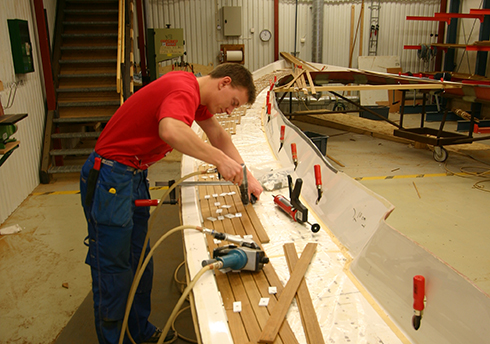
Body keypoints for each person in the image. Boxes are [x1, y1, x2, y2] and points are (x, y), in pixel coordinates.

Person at [79, 63, 263, 344]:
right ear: (224, 82)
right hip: (111, 178)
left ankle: (138, 331)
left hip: (132, 175)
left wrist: (245, 174)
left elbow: (218, 135)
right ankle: (115, 340)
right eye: (233, 103)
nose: (229, 111)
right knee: (114, 269)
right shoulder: (183, 88)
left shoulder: (198, 98)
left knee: (140, 262)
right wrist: (220, 161)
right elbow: (171, 130)